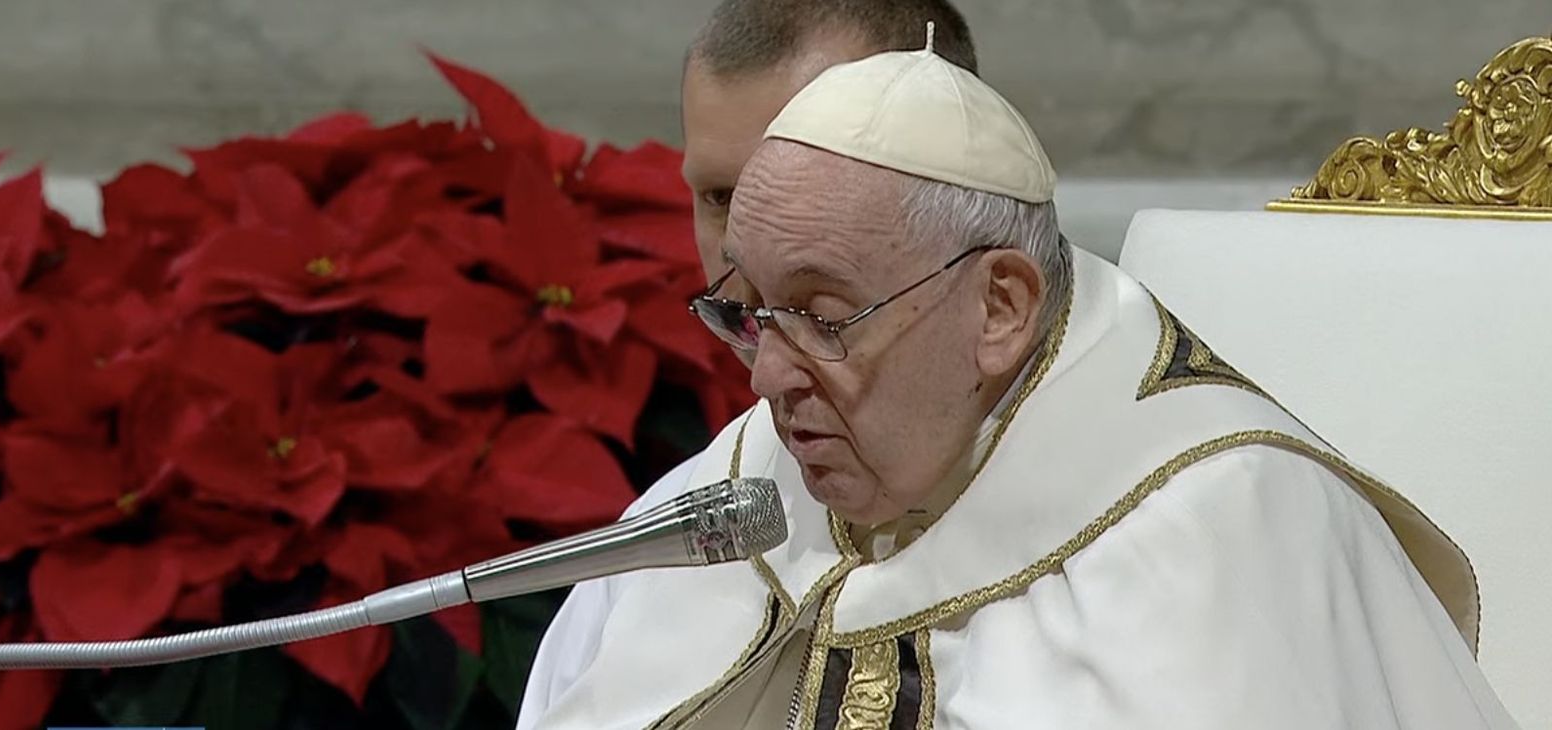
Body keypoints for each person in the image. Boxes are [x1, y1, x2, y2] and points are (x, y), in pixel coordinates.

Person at [523, 17, 1518, 730]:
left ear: (1000, 307)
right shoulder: (720, 504)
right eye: (751, 317)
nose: (765, 380)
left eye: (825, 318)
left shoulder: (1218, 535)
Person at [518, 2, 982, 725]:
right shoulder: (669, 542)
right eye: (720, 198)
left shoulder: (1152, 538)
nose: (746, 252)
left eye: (805, 196)